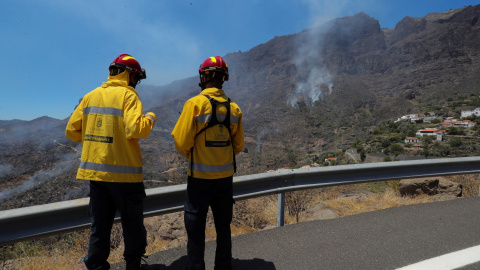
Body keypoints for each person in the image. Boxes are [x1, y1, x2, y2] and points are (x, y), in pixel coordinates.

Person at [66, 54, 156, 270]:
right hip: (125, 176)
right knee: (132, 225)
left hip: (97, 176)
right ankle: (133, 266)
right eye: (136, 78)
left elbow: (71, 131)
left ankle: (96, 266)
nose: (137, 83)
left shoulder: (90, 96)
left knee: (100, 226)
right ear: (129, 74)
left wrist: (93, 137)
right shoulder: (129, 96)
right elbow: (136, 129)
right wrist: (151, 118)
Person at [171, 56, 244, 270]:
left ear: (203, 76)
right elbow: (237, 146)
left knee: (195, 229)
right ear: (224, 78)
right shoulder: (234, 109)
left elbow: (181, 141)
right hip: (224, 181)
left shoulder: (194, 104)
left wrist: (194, 155)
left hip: (199, 180)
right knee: (223, 227)